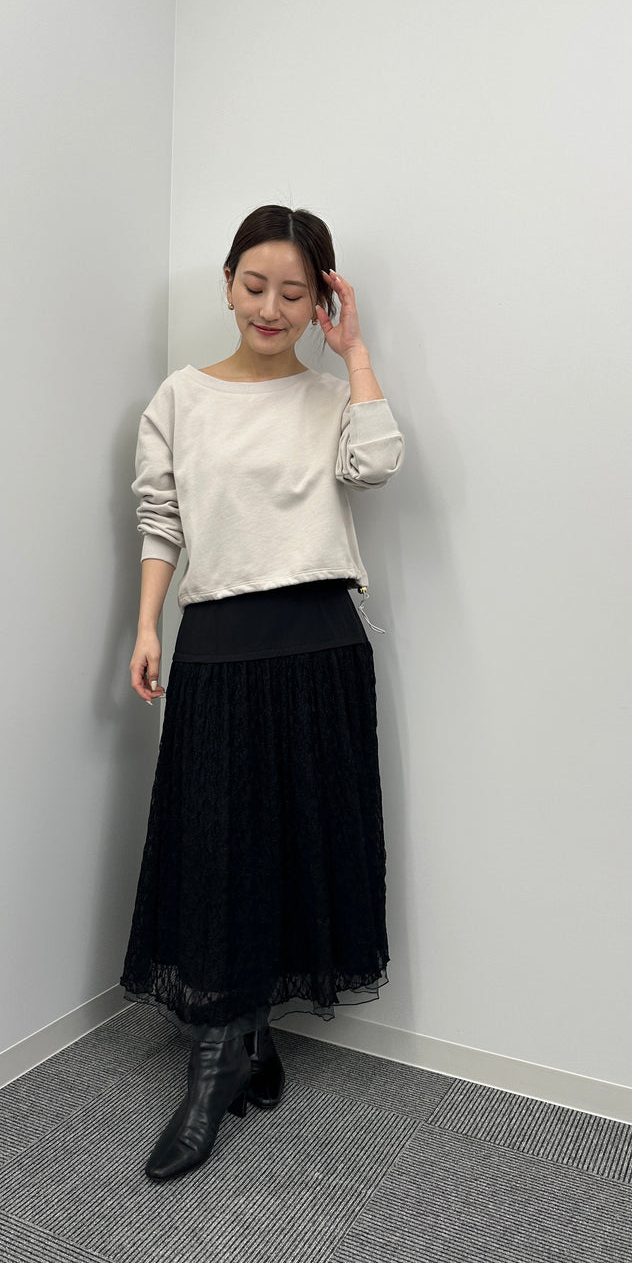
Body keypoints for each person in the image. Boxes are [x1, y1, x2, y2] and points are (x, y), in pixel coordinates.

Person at [122, 204, 405, 1182]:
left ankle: (245, 1042)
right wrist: (147, 625)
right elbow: (161, 517)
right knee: (218, 851)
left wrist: (355, 353)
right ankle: (218, 1057)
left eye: (294, 291)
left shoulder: (330, 396)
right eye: (255, 286)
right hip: (219, 641)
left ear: (319, 298)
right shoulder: (182, 396)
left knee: (295, 844)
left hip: (321, 642)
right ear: (228, 283)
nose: (271, 307)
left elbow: (377, 463)